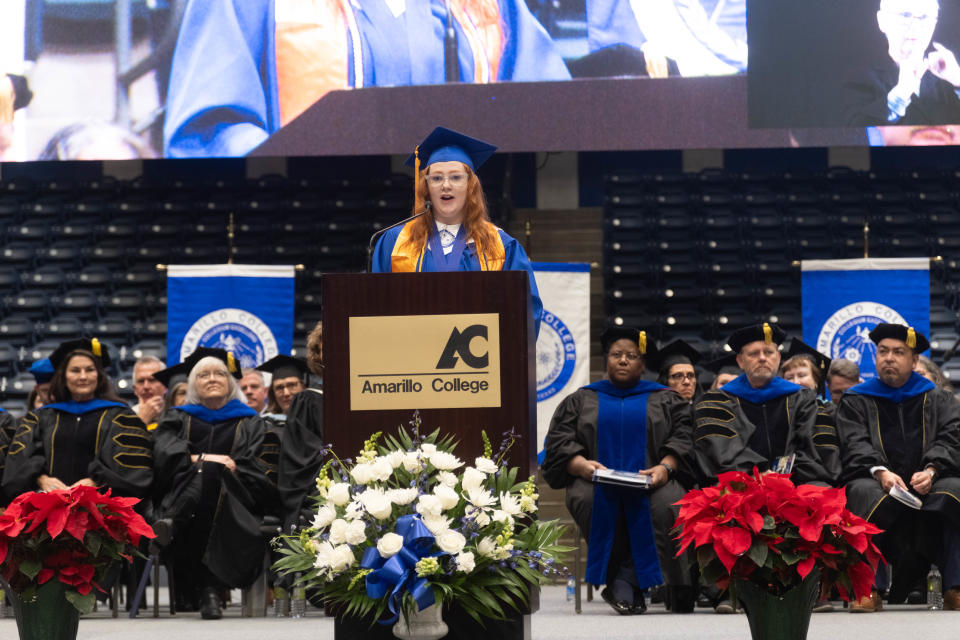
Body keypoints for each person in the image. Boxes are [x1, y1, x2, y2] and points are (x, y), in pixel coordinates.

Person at [163, 0, 570, 158]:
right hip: (314, 228)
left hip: (457, 241)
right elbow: (209, 129)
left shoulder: (484, 5)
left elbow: (551, 113)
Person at [542, 326, 696, 616]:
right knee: (589, 500)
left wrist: (665, 468)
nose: (623, 360)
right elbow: (559, 442)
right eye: (616, 355)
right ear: (606, 360)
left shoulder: (666, 399)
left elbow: (684, 439)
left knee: (669, 504)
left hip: (654, 480)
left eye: (632, 355)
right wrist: (580, 465)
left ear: (643, 363)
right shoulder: (581, 399)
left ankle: (625, 581)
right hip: (595, 480)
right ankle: (625, 581)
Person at [836, 323, 960, 612]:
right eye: (882, 351)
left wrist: (931, 470)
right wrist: (880, 472)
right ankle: (868, 589)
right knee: (862, 491)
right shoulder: (857, 399)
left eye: (898, 352)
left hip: (929, 480)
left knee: (955, 490)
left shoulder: (938, 398)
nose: (889, 357)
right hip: (879, 479)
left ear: (914, 361)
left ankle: (955, 587)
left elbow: (952, 438)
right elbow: (853, 442)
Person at [371, 126, 542, 335]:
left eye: (456, 177)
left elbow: (525, 313)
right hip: (410, 359)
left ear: (471, 185)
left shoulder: (501, 246)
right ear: (426, 187)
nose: (446, 185)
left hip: (479, 361)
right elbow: (374, 308)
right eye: (436, 178)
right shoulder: (395, 242)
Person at [152, 348, 273, 619]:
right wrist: (209, 460)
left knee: (209, 476)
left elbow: (256, 466)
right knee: (207, 476)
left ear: (231, 382)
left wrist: (211, 463)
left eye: (219, 373)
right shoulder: (178, 417)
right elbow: (162, 455)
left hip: (237, 497)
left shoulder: (249, 421)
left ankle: (172, 521)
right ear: (193, 383)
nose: (212, 378)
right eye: (203, 374)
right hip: (192, 497)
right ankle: (209, 589)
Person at [2, 338, 153, 499]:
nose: (83, 376)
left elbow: (134, 470)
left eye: (89, 369)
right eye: (75, 370)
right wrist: (41, 479)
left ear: (99, 375)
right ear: (64, 377)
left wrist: (97, 482)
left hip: (103, 510)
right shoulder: (39, 418)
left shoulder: (121, 416)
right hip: (48, 510)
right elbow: (18, 462)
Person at [693, 324, 836, 486]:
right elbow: (719, 450)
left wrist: (781, 478)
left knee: (820, 492)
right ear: (740, 361)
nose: (762, 358)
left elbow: (815, 449)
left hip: (796, 483)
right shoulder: (715, 402)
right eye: (754, 353)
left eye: (769, 352)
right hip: (741, 483)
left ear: (778, 358)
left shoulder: (803, 399)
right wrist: (755, 473)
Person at [846, 0, 960, 126]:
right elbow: (852, 136)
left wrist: (958, 80)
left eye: (924, 17)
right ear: (882, 21)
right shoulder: (857, 76)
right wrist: (901, 93)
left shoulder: (949, 74)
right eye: (905, 15)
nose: (916, 27)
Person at [278, 322, 326, 534]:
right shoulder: (308, 401)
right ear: (318, 355)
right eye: (326, 347)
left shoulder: (374, 398)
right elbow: (300, 461)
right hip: (323, 502)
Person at [131, 355, 168, 426]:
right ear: (135, 389)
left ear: (165, 386)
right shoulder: (125, 417)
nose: (146, 386)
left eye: (152, 380)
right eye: (141, 381)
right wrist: (142, 420)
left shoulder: (177, 415)